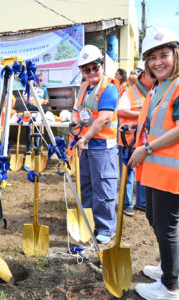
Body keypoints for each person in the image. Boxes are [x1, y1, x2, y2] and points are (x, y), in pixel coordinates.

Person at [124, 27, 179, 300]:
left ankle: (170, 287)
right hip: (157, 169)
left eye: (164, 55)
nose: (158, 62)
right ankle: (169, 267)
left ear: (175, 55)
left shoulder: (178, 85)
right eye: (153, 57)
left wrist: (147, 148)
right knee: (155, 220)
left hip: (172, 172)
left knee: (166, 226)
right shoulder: (159, 86)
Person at [71, 45, 119, 244]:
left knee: (103, 188)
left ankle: (106, 228)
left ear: (102, 65)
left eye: (95, 67)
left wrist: (85, 138)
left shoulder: (109, 87)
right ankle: (89, 222)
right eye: (86, 69)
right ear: (81, 70)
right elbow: (76, 109)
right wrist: (74, 123)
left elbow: (104, 119)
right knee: (87, 186)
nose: (91, 72)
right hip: (86, 145)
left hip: (101, 145)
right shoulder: (84, 87)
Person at [117, 61, 155, 216]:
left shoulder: (154, 92)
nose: (155, 78)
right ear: (143, 75)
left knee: (142, 173)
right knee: (128, 173)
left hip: (144, 141)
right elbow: (120, 112)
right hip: (128, 140)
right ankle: (127, 203)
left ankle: (142, 202)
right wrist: (142, 116)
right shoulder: (129, 92)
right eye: (151, 75)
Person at [25, 72, 49, 154]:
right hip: (30, 111)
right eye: (38, 80)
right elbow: (25, 98)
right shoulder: (29, 87)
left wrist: (44, 101)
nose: (40, 82)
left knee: (38, 130)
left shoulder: (44, 89)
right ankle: (29, 148)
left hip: (39, 111)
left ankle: (36, 148)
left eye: (41, 80)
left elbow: (47, 99)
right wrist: (31, 101)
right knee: (29, 129)